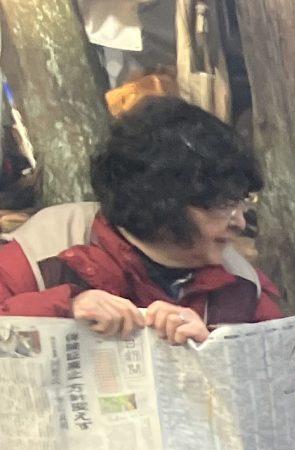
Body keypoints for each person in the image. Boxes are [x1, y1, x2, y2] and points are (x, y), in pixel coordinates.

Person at [0, 97, 280, 339]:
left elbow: (284, 374)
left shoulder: (241, 284)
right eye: (221, 206)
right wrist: (64, 307)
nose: (239, 223)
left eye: (242, 203)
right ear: (163, 201)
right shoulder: (43, 250)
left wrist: (211, 353)